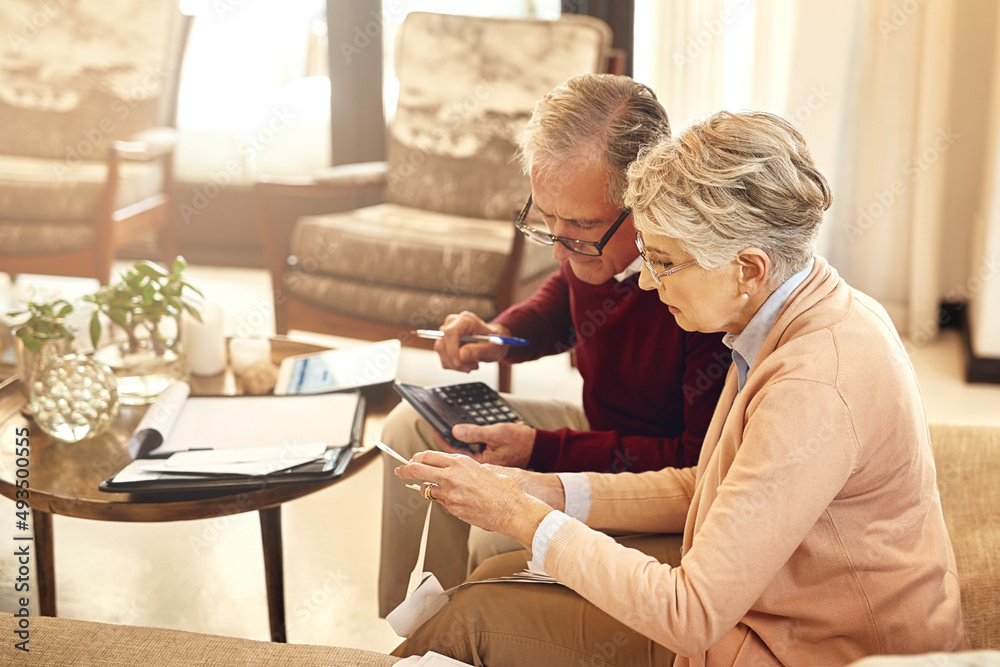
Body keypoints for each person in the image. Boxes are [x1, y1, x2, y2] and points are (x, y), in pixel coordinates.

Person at [391, 110, 969, 665]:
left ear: (748, 268)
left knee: (471, 615)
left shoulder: (813, 384)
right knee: (494, 576)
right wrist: (548, 494)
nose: (644, 279)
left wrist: (523, 516)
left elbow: (690, 616)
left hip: (814, 650)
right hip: (773, 609)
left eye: (665, 261)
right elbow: (707, 483)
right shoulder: (782, 314)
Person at [377, 73, 730, 617]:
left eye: (581, 228)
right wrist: (499, 337)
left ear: (648, 195)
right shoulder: (590, 251)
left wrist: (542, 450)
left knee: (493, 543)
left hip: (655, 480)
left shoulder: (700, 292)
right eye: (546, 219)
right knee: (412, 426)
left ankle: (459, 626)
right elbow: (566, 294)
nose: (561, 250)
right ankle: (418, 623)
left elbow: (692, 466)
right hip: (599, 429)